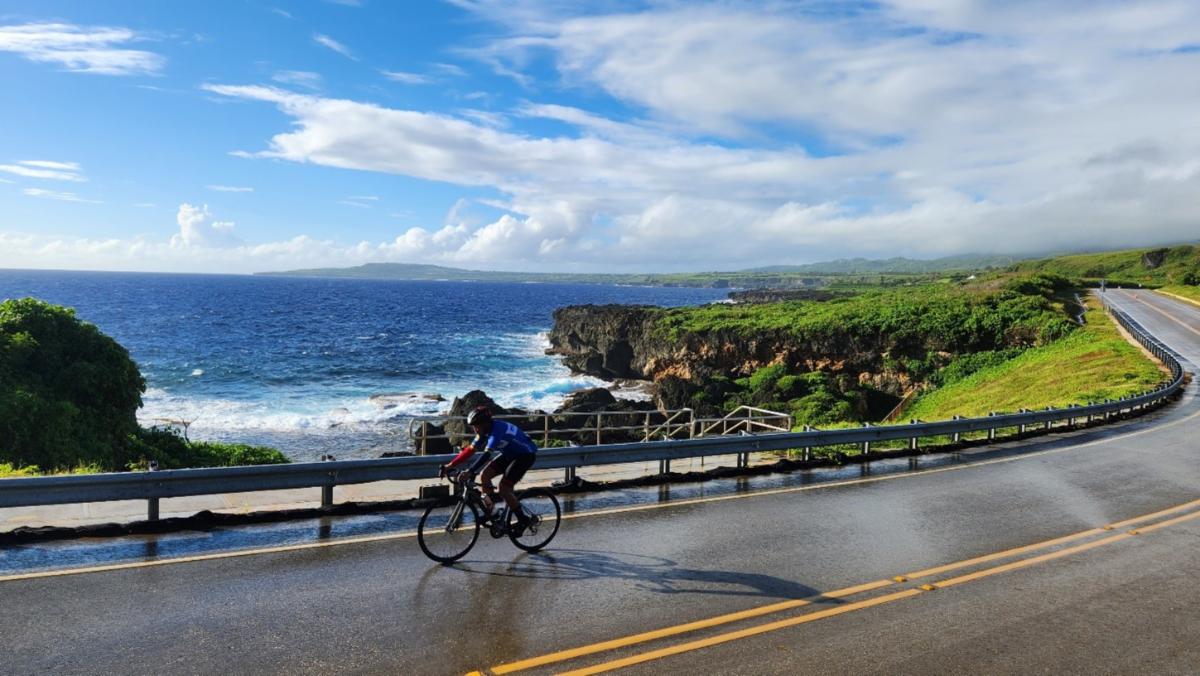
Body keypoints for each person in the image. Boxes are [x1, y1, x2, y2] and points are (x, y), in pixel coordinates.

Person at [439, 405, 537, 535]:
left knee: (504, 488)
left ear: (485, 423)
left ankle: (524, 520)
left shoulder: (497, 430)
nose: (475, 429)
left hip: (525, 455)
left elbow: (487, 454)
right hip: (510, 454)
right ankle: (493, 512)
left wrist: (470, 471)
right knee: (484, 476)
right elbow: (469, 451)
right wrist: (449, 465)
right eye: (473, 426)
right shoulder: (484, 432)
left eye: (476, 426)